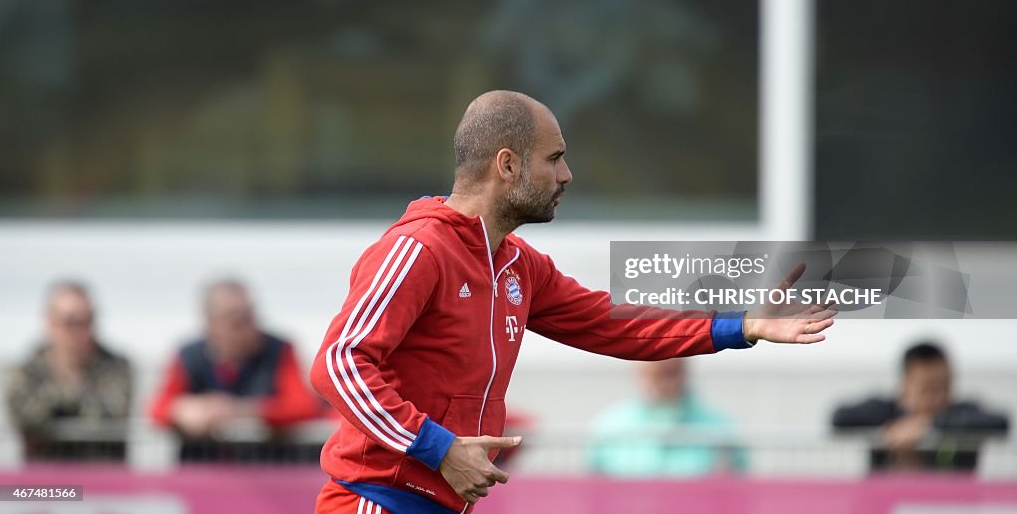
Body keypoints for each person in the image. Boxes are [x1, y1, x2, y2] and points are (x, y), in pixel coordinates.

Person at [310, 90, 835, 514]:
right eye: (555, 159)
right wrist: (439, 448)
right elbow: (338, 362)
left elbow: (616, 322)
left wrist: (739, 324)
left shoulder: (518, 264)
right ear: (507, 165)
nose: (566, 176)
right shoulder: (419, 249)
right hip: (374, 500)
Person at [148, 278, 321, 461]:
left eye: (250, 316)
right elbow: (157, 409)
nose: (248, 328)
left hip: (266, 471)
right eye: (235, 320)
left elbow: (304, 406)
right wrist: (182, 410)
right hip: (202, 473)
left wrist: (240, 410)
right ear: (211, 322)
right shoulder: (188, 355)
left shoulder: (280, 350)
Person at [832, 341, 1009, 471]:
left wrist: (929, 425)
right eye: (929, 388)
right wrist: (890, 430)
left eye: (945, 386)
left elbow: (1001, 422)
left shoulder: (963, 412)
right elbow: (839, 418)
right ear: (906, 383)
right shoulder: (882, 410)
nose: (939, 397)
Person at [4, 281, 132, 461]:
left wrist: (56, 407)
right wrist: (77, 397)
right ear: (50, 321)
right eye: (69, 322)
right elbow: (28, 419)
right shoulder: (27, 371)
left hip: (102, 479)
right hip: (44, 482)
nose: (78, 331)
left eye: (86, 321)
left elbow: (111, 414)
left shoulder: (116, 366)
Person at [588, 358, 746, 477]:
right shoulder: (609, 426)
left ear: (684, 371)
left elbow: (738, 489)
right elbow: (593, 490)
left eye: (669, 373)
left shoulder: (720, 428)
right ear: (638, 372)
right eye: (653, 373)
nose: (662, 382)